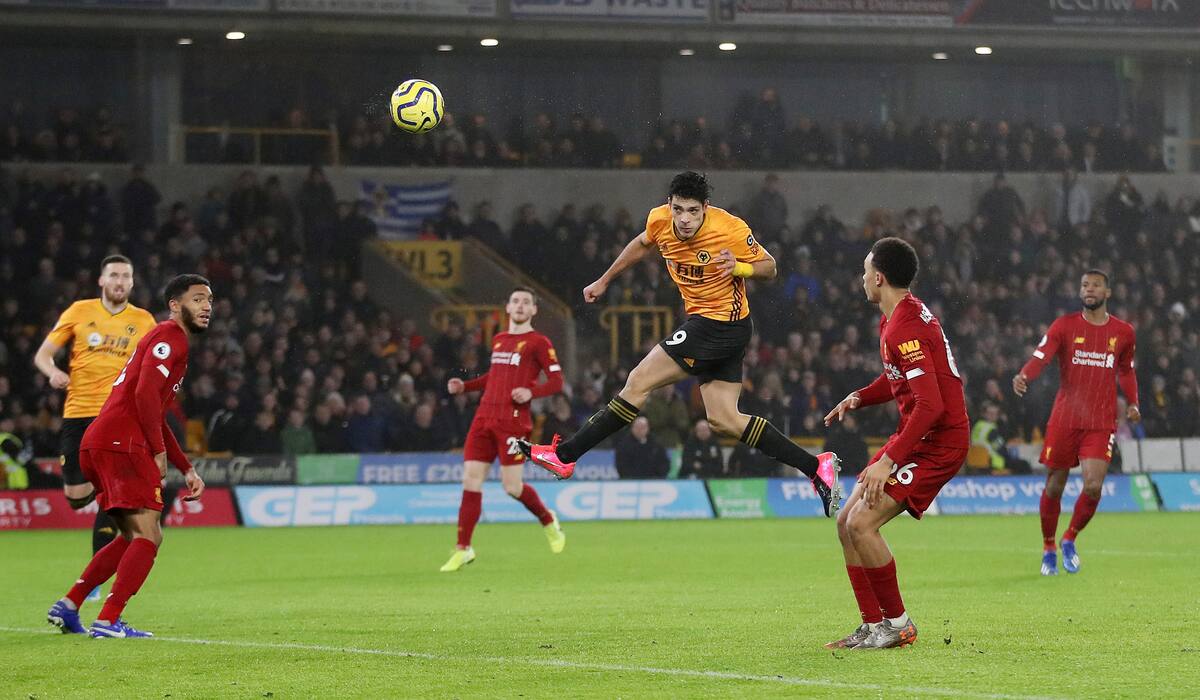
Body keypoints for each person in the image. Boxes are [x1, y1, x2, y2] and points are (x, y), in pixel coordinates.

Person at [520, 171, 840, 515]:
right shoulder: (659, 220)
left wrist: (740, 268)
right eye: (678, 210)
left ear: (705, 208)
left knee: (638, 382)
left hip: (717, 325)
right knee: (724, 420)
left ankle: (565, 456)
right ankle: (815, 467)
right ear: (669, 206)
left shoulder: (729, 228)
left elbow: (770, 267)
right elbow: (642, 244)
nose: (684, 219)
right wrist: (604, 279)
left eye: (692, 211)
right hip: (718, 326)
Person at [823, 237, 970, 650]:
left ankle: (898, 623)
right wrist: (860, 397)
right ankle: (873, 625)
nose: (862, 277)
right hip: (919, 434)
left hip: (939, 442)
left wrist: (888, 459)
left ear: (879, 277)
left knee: (860, 524)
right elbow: (899, 379)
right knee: (845, 523)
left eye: (866, 269)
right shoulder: (897, 316)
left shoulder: (904, 326)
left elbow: (932, 405)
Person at [46, 274, 211, 639]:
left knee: (129, 535)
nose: (206, 307)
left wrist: (187, 467)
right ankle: (107, 620)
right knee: (150, 536)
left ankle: (70, 603)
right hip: (123, 444)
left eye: (209, 301)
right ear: (174, 305)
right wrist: (156, 451)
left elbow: (155, 409)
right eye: (198, 299)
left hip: (101, 442)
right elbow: (145, 398)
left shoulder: (163, 340)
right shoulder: (170, 338)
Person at [33, 255, 157, 602]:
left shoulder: (143, 321)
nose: (120, 282)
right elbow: (43, 355)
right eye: (114, 275)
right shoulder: (79, 311)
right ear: (101, 281)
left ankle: (94, 578)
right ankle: (105, 497)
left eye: (126, 276)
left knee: (112, 489)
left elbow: (152, 367)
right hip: (78, 413)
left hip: (117, 415)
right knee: (76, 496)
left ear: (132, 283)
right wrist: (53, 372)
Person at [1012, 270, 1138, 576]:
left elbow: (1126, 370)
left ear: (1107, 292)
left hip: (1100, 420)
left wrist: (1133, 401)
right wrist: (1025, 375)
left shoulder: (1123, 332)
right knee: (1055, 485)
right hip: (1065, 419)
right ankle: (1048, 548)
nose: (1089, 289)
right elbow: (1042, 356)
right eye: (1084, 285)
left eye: (1095, 285)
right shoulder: (1064, 326)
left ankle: (1069, 539)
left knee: (1093, 486)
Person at [440, 287, 566, 572]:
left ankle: (548, 520)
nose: (520, 306)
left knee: (512, 487)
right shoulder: (499, 340)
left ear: (534, 310)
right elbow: (494, 376)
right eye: (515, 301)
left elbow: (557, 382)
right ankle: (464, 548)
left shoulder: (538, 342)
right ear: (507, 308)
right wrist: (466, 387)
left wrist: (531, 391)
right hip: (483, 418)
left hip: (512, 422)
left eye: (526, 302)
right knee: (471, 481)